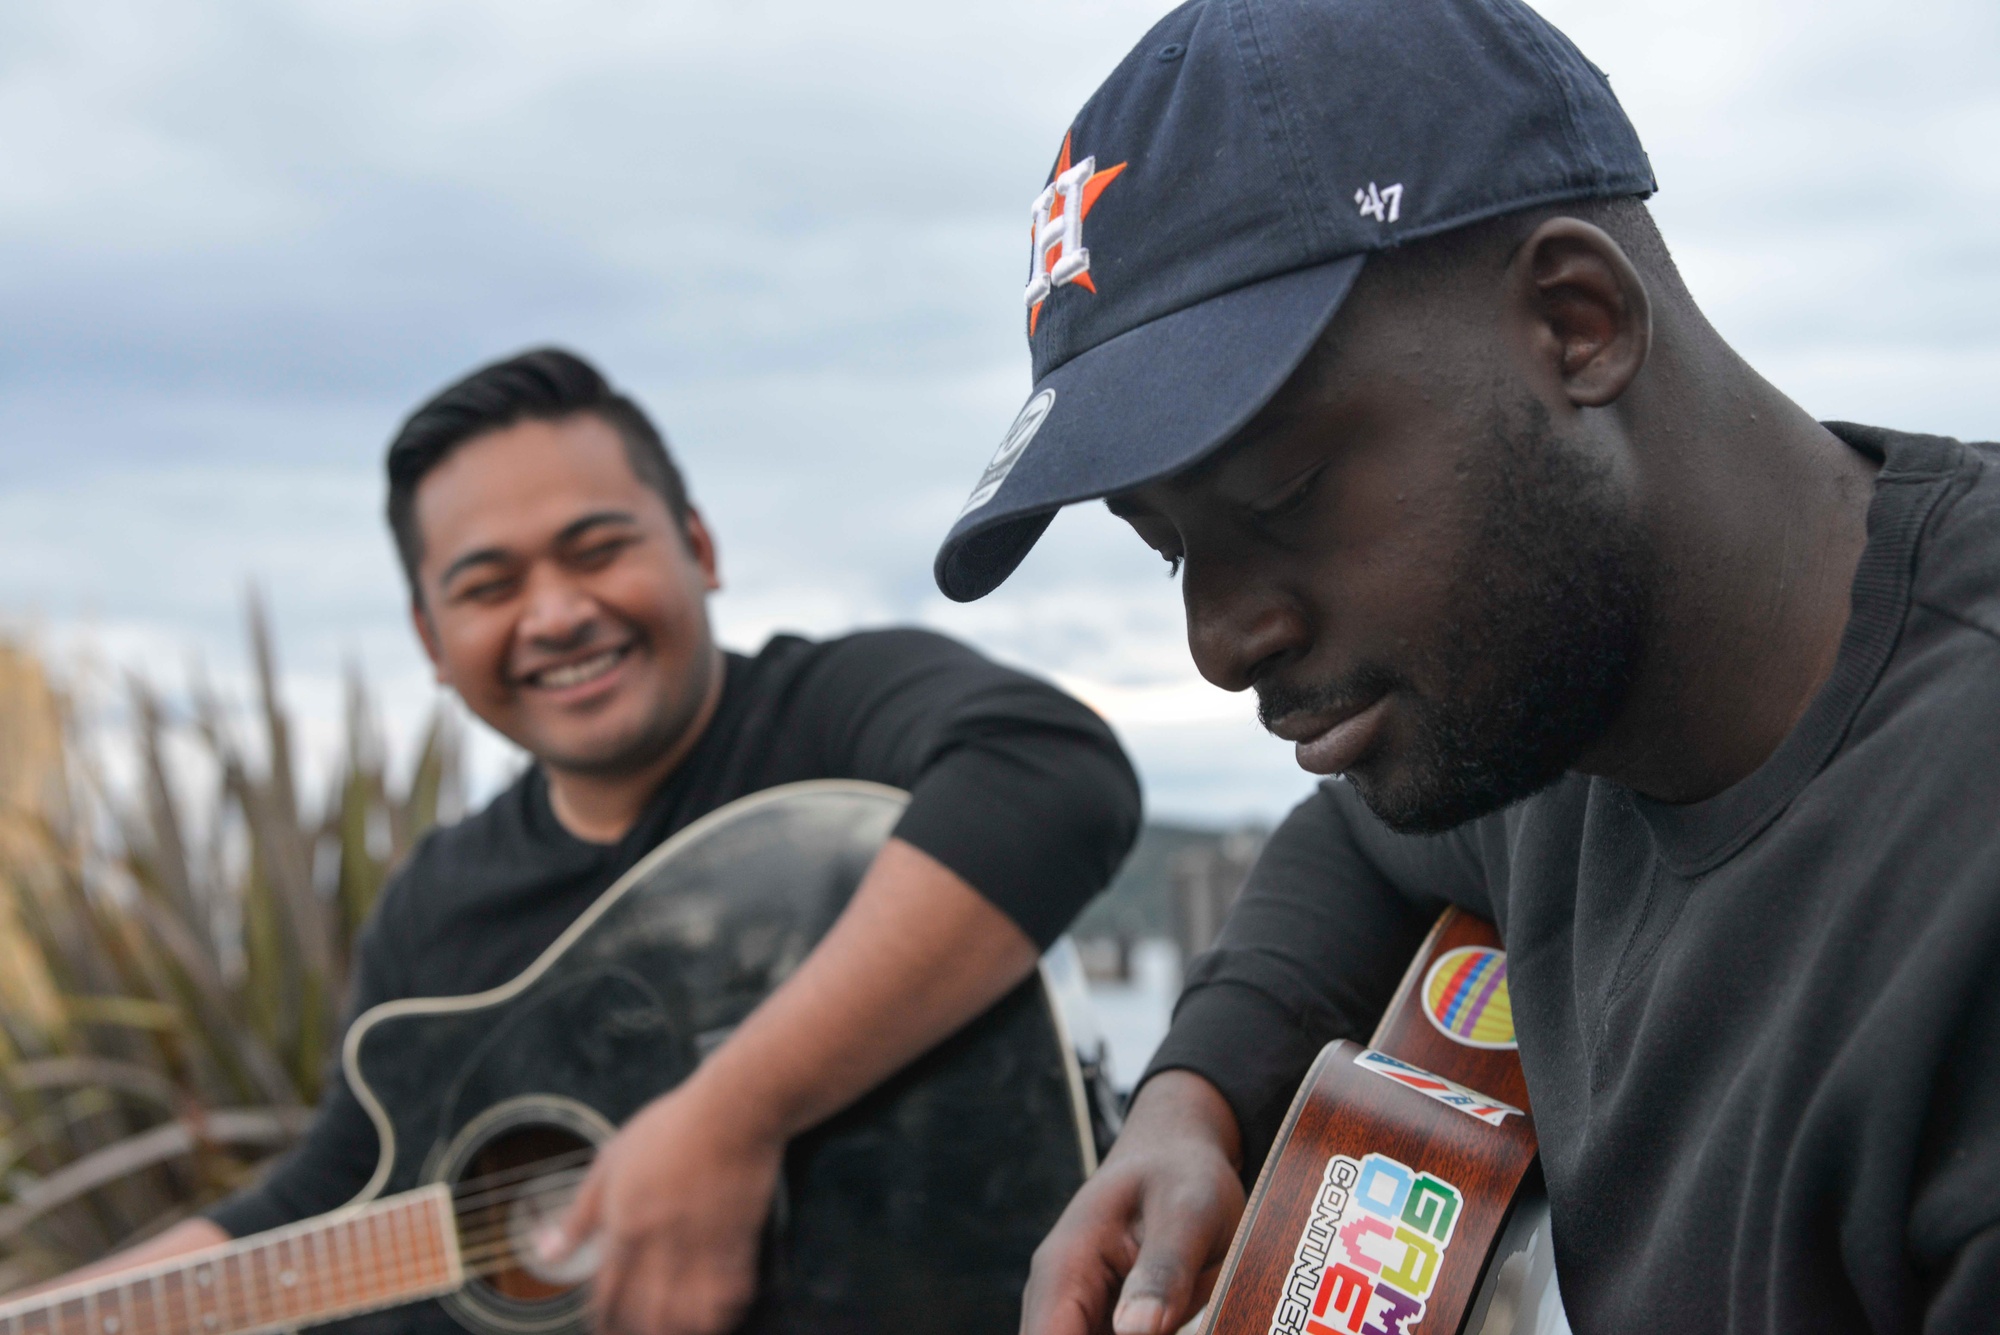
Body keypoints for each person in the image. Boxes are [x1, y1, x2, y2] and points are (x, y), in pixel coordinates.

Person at [932, 1, 2000, 1332]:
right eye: (1168, 548)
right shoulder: (1542, 700)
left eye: (1286, 490)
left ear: (1577, 321)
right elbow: (1357, 846)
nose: (1217, 642)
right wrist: (1188, 1099)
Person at [69, 348, 1141, 1335]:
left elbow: (1051, 775)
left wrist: (729, 1123)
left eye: (598, 550)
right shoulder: (440, 906)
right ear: (431, 643)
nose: (556, 613)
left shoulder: (832, 717)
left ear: (699, 547)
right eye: (489, 588)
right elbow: (327, 1201)